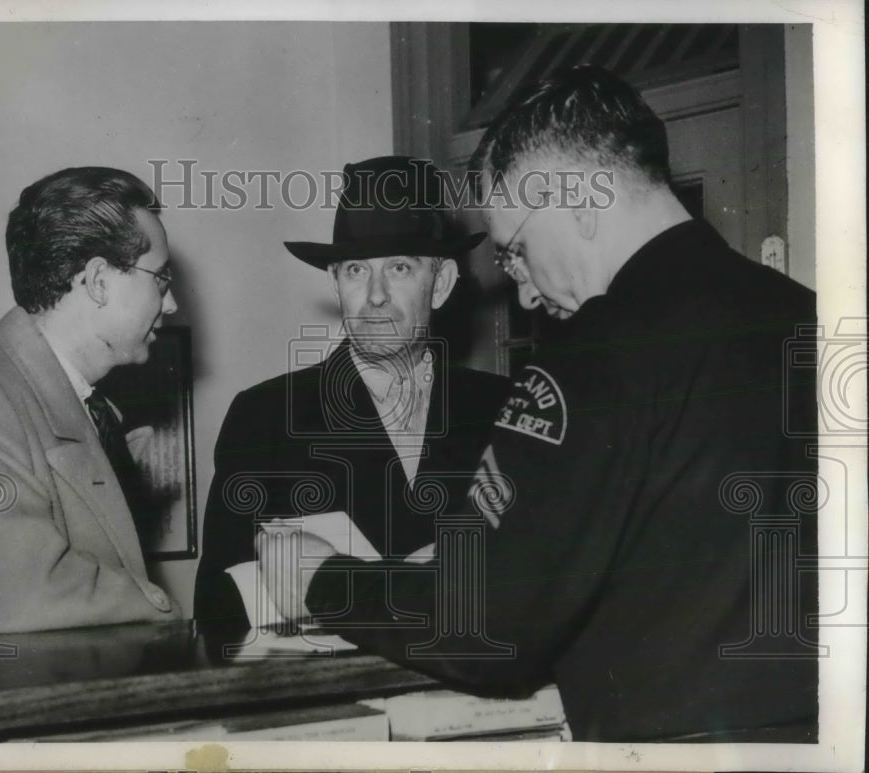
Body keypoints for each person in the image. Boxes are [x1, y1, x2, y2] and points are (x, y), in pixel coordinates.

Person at [258, 67, 819, 742]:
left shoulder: (593, 354)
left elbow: (486, 622)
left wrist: (324, 579)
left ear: (580, 199)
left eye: (517, 252)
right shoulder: (812, 319)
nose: (523, 293)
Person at [194, 155, 508, 631]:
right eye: (357, 270)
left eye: (400, 268)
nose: (376, 295)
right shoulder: (266, 418)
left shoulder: (502, 409)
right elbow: (217, 609)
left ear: (440, 283)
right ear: (336, 284)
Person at [0, 166, 181, 639]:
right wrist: (166, 610)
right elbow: (16, 596)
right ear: (97, 280)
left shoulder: (90, 408)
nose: (170, 305)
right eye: (161, 279)